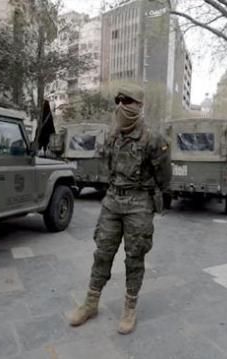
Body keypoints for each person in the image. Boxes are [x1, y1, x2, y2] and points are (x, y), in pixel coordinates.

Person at [68, 83, 171, 334]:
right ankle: (91, 303)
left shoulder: (154, 139)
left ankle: (129, 308)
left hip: (139, 204)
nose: (121, 105)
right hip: (112, 202)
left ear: (139, 105)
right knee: (102, 253)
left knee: (134, 257)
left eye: (127, 101)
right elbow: (109, 167)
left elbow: (164, 177)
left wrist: (151, 198)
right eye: (119, 100)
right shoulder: (112, 135)